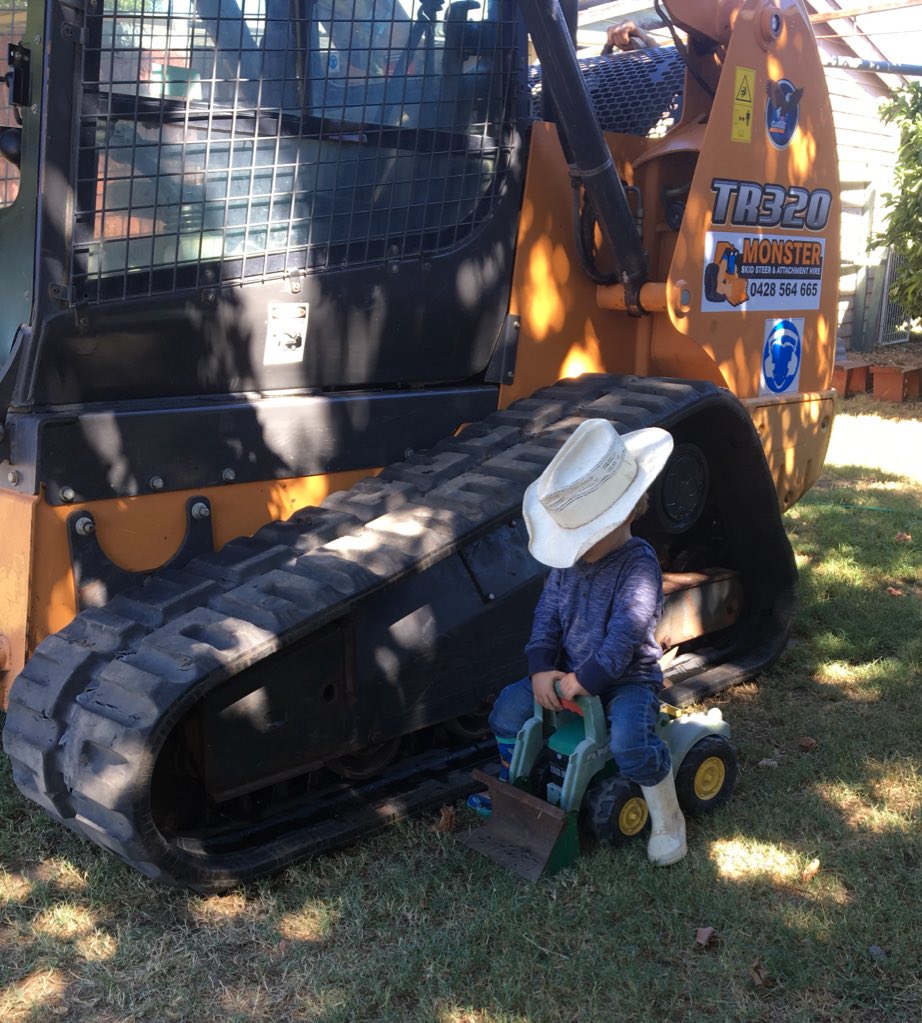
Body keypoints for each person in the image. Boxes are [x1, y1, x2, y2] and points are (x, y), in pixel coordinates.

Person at [469, 416, 686, 867]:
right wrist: (541, 667)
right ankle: (514, 789)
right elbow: (547, 615)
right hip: (569, 672)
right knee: (508, 710)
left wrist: (587, 678)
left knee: (629, 743)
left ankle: (669, 822)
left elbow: (627, 631)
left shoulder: (637, 565)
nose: (577, 545)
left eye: (586, 534)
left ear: (625, 513)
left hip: (626, 679)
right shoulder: (568, 564)